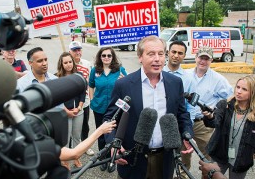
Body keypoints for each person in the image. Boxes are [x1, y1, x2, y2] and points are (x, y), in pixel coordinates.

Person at [103, 35, 194, 179]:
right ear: (140, 57)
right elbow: (109, 119)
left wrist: (187, 134)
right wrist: (113, 145)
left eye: (161, 54)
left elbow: (182, 115)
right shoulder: (124, 85)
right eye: (151, 54)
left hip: (164, 159)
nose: (157, 59)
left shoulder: (175, 83)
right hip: (132, 159)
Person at [181, 46, 233, 178]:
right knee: (184, 152)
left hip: (203, 124)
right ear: (195, 57)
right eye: (201, 57)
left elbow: (231, 96)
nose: (203, 61)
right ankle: (183, 175)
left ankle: (207, 176)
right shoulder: (185, 75)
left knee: (207, 155)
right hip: (186, 120)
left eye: (206, 59)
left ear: (211, 61)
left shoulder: (218, 79)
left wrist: (218, 111)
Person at [202, 75, 255, 179]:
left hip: (241, 160)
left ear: (252, 92)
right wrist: (210, 116)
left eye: (244, 89)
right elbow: (214, 122)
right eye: (238, 87)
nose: (238, 91)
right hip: (219, 154)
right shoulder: (225, 105)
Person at [88, 47, 127, 171]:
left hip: (115, 109)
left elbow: (128, 85)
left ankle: (113, 158)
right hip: (99, 108)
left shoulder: (120, 70)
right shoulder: (95, 70)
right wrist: (92, 99)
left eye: (109, 56)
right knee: (101, 134)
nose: (106, 58)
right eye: (103, 55)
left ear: (112, 57)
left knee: (115, 134)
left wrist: (124, 80)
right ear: (100, 57)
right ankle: (102, 158)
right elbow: (91, 86)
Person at [55, 52, 86, 169]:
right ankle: (65, 161)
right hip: (64, 113)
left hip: (78, 111)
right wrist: (66, 111)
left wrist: (79, 107)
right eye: (65, 62)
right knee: (66, 139)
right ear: (61, 64)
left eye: (70, 62)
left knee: (77, 137)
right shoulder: (57, 77)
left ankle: (76, 158)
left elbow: (83, 93)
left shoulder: (79, 75)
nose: (68, 65)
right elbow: (56, 98)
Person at [69, 41, 94, 156]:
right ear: (70, 52)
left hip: (85, 100)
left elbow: (91, 81)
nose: (77, 52)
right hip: (70, 100)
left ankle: (85, 146)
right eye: (75, 50)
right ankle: (71, 147)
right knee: (70, 126)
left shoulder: (87, 63)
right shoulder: (68, 63)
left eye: (79, 50)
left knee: (85, 125)